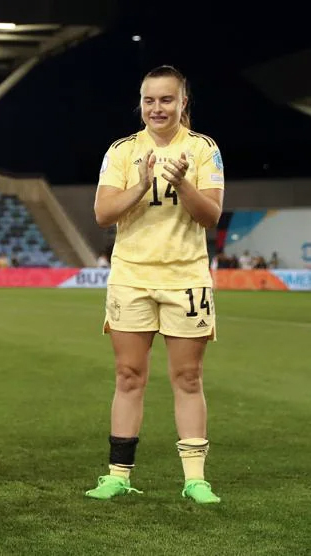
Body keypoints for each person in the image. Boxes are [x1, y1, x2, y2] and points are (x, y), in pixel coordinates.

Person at [88, 65, 224, 504]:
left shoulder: (204, 150)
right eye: (150, 100)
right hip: (131, 276)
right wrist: (143, 183)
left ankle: (195, 479)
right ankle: (118, 474)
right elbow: (103, 213)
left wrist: (182, 183)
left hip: (186, 277)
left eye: (167, 99)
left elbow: (211, 216)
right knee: (129, 376)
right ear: (141, 103)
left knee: (187, 377)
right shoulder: (123, 151)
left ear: (183, 103)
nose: (157, 108)